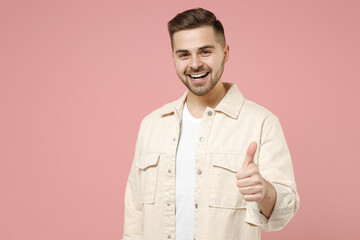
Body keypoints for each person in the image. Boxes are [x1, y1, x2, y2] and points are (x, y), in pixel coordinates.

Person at [122, 7, 299, 240]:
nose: (195, 64)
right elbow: (135, 214)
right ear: (174, 58)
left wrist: (264, 192)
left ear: (225, 53)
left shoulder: (262, 123)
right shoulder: (151, 125)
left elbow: (285, 210)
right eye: (184, 54)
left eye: (205, 52)